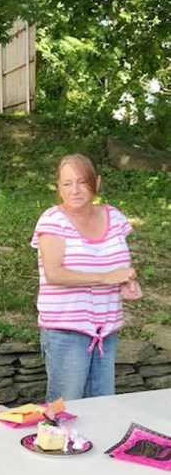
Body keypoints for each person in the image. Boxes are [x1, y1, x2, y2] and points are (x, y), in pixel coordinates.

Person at [31, 154, 142, 402]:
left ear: (97, 183)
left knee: (104, 408)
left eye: (82, 182)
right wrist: (106, 278)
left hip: (106, 330)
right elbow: (54, 274)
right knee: (64, 410)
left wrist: (127, 281)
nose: (75, 190)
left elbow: (119, 265)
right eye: (67, 183)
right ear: (58, 187)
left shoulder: (114, 217)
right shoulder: (53, 220)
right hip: (66, 331)